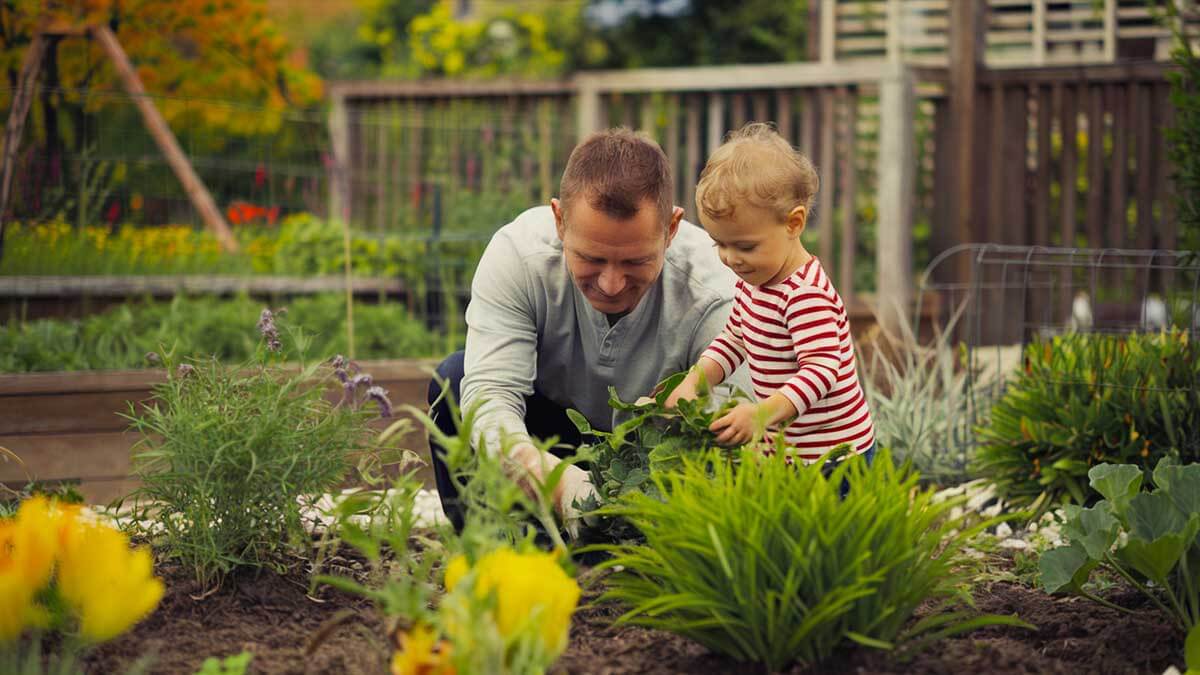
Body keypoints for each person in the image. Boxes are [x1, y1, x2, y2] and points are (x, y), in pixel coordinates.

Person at [428, 127, 746, 535]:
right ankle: (502, 560)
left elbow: (733, 434)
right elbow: (490, 398)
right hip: (550, 443)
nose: (611, 283)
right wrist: (557, 483)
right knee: (454, 382)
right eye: (591, 259)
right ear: (560, 220)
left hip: (660, 459)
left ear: (671, 228)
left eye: (635, 262)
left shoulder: (718, 290)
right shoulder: (518, 257)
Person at [666, 123, 876, 466]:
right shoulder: (754, 283)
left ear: (794, 223)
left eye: (745, 246)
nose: (730, 258)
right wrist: (695, 382)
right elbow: (734, 340)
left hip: (834, 459)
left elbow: (821, 370)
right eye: (720, 243)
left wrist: (761, 414)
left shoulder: (805, 295)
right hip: (789, 455)